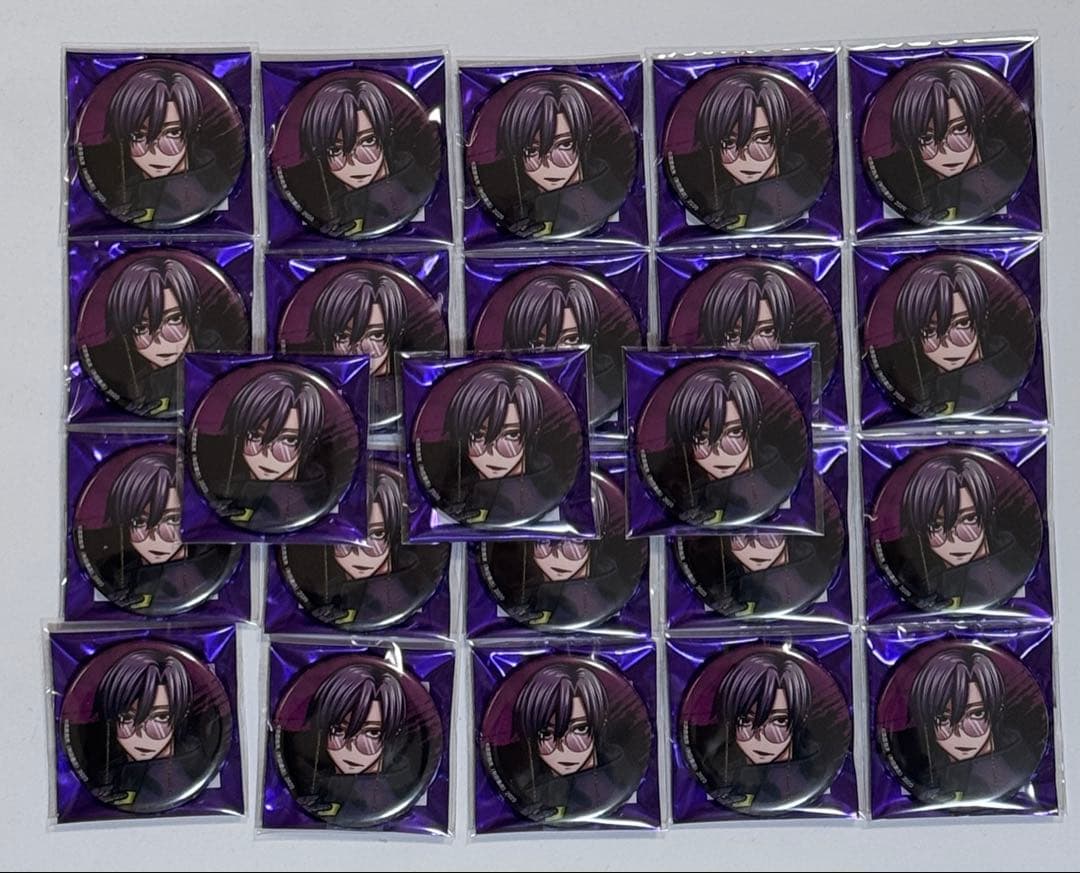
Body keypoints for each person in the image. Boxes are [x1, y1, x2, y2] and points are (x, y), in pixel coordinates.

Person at [279, 467, 448, 630]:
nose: (360, 551)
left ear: (394, 532)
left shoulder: (411, 588)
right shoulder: (324, 592)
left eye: (377, 534)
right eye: (348, 535)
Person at [866, 64, 1029, 223]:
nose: (945, 151)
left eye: (959, 128)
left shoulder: (1005, 176)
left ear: (978, 121)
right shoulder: (918, 192)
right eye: (927, 138)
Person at [480, 474, 644, 628]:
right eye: (544, 541)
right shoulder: (525, 597)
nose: (557, 555)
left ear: (596, 545)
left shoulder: (609, 594)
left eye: (575, 541)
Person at [869, 258, 1027, 417]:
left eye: (962, 323)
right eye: (930, 330)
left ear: (982, 317)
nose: (947, 344)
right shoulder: (920, 390)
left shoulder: (1007, 375)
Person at [874, 454, 1032, 610]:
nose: (954, 539)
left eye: (969, 518)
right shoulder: (925, 580)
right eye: (936, 525)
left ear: (988, 514)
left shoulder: (1012, 569)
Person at [670, 72, 825, 231]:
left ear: (783, 134)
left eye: (762, 138)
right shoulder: (716, 199)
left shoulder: (801, 190)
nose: (745, 157)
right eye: (729, 142)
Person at [89, 451, 237, 613]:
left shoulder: (212, 565)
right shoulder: (115, 575)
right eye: (139, 522)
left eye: (172, 519)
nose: (155, 537)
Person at [678, 475, 844, 617]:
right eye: (742, 539)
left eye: (769, 539)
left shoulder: (808, 578)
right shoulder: (725, 586)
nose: (755, 547)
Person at [287, 663, 430, 827]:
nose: (351, 748)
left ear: (394, 732)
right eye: (338, 730)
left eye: (372, 732)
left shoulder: (398, 788)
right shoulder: (316, 788)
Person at [297, 77, 435, 238]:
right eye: (336, 149)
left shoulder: (416, 188)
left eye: (368, 140)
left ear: (386, 134)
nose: (354, 162)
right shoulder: (332, 210)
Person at [657, 367, 794, 526]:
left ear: (754, 426)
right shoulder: (684, 488)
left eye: (734, 431)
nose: (719, 452)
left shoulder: (778, 477)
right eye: (702, 437)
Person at [895, 648, 1034, 804]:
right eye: (944, 718)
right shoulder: (923, 768)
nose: (960, 734)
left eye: (977, 713)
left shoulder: (1017, 761)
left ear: (996, 709)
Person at [492, 79, 625, 238]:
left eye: (565, 144)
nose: (548, 165)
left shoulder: (608, 196)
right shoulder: (520, 208)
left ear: (584, 140)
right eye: (532, 150)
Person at [106, 67, 235, 227]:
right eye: (139, 135)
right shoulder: (127, 193)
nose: (155, 151)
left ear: (192, 129)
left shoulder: (211, 186)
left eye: (173, 132)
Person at [702, 651, 826, 813]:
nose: (760, 738)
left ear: (800, 718)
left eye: (779, 720)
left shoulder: (811, 777)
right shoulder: (724, 776)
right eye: (745, 720)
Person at [88, 649, 211, 812]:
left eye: (161, 716)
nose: (141, 734)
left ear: (182, 713)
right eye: (127, 717)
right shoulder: (108, 777)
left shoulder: (189, 774)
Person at [439, 365, 563, 525]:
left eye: (511, 434)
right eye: (478, 435)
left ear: (533, 430)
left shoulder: (546, 491)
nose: (492, 453)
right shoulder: (456, 488)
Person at [87, 256, 209, 417]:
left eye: (174, 319)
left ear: (193, 313)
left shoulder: (215, 359)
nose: (160, 340)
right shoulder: (136, 386)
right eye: (142, 327)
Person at [210, 369, 331, 530]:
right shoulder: (223, 491)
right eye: (255, 435)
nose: (266, 454)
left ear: (309, 440)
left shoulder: (317, 497)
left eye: (288, 439)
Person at [507, 663, 624, 821]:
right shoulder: (527, 784)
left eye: (580, 728)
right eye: (547, 733)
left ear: (601, 723)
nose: (563, 749)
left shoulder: (620, 773)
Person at [499, 273, 619, 422]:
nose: (556, 355)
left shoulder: (606, 390)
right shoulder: (501, 402)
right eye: (540, 342)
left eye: (570, 339)